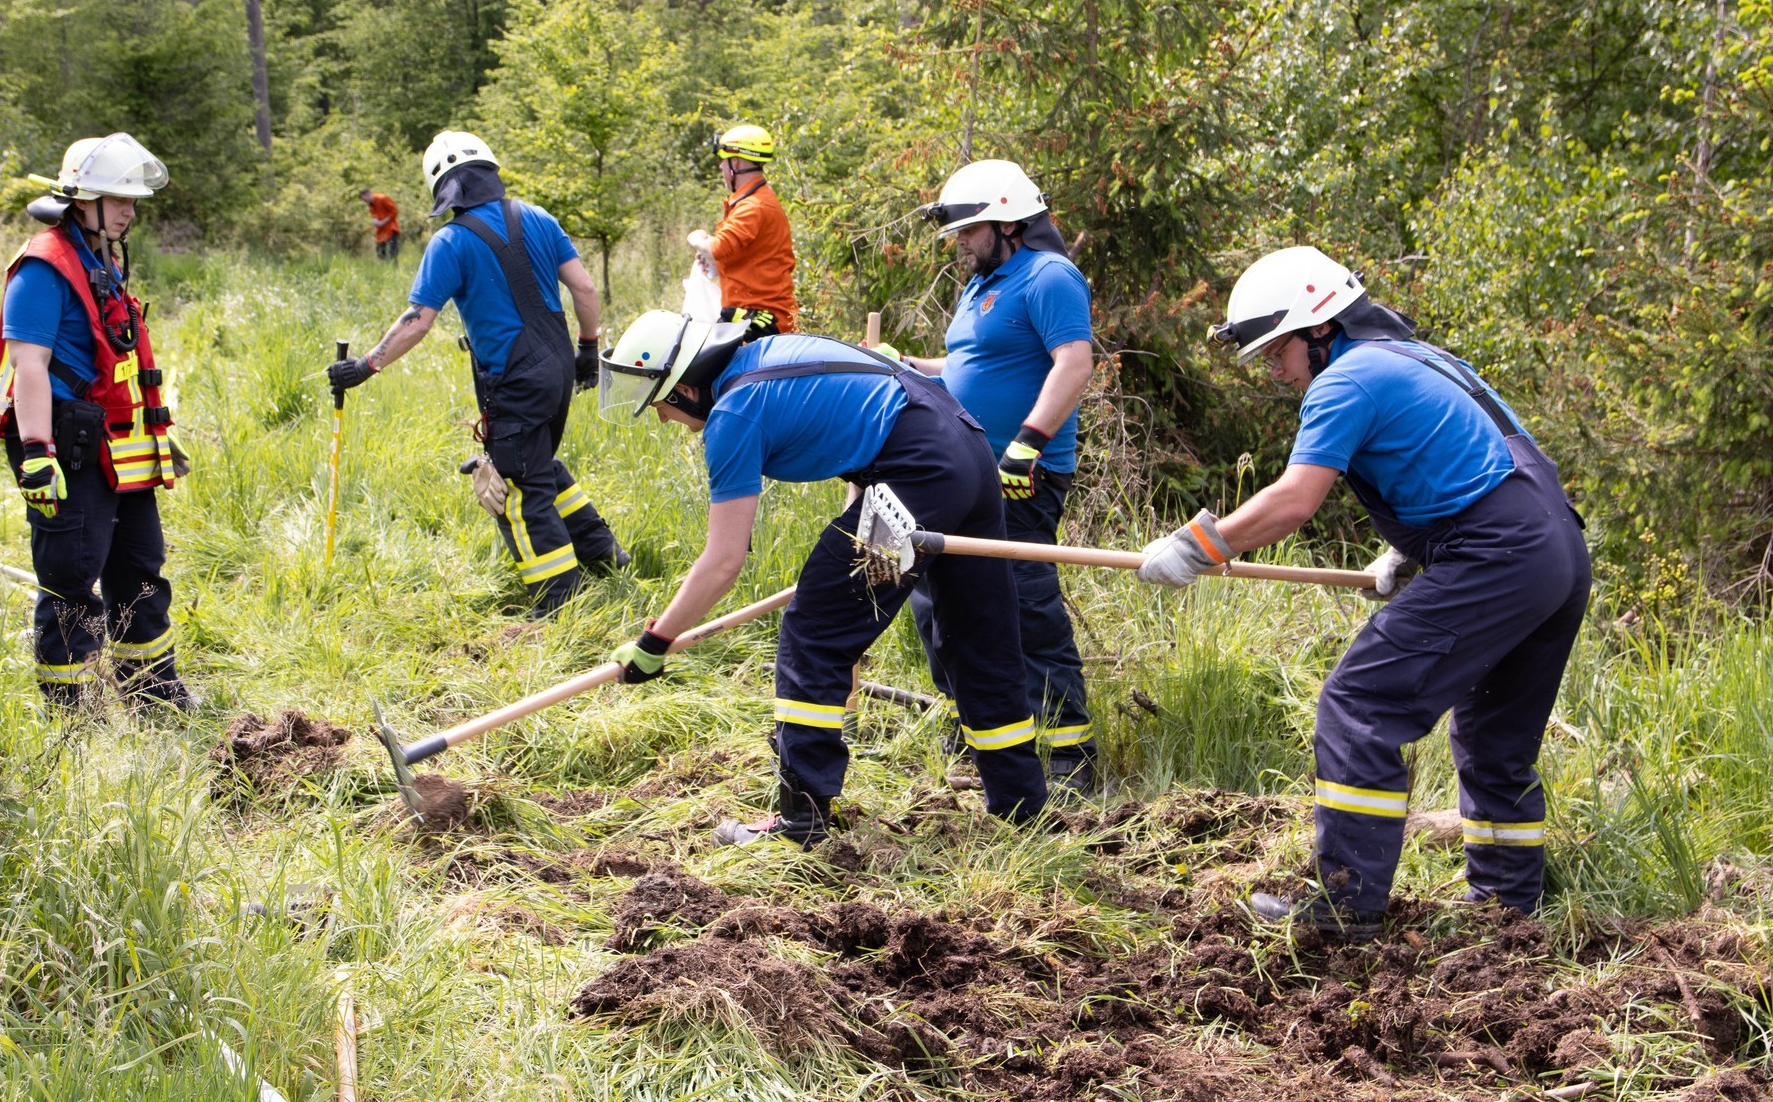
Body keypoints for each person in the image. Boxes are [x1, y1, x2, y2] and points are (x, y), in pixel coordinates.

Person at [1135, 246, 1590, 939]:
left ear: (1319, 328)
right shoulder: (1422, 359)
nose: (1276, 372)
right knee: (1495, 736)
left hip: (1499, 552)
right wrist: (1415, 551)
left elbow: (1294, 500)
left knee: (1361, 701)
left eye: (1276, 352)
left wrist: (1199, 546)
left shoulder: (1347, 379)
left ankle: (1345, 904)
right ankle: (1508, 914)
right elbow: (1477, 464)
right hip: (1554, 548)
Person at [598, 313, 1048, 846]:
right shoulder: (771, 357)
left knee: (814, 635)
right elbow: (865, 432)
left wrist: (656, 640)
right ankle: (1023, 808)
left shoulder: (735, 414)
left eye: (660, 404)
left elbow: (722, 560)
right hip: (964, 453)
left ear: (688, 387)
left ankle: (800, 821)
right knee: (980, 638)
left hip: (918, 475)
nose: (663, 419)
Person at [328, 131, 625, 617]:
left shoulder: (449, 242)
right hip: (557, 367)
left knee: (515, 488)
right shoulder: (539, 217)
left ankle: (560, 603)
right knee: (539, 462)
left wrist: (366, 365)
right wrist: (588, 350)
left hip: (514, 379)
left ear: (442, 189)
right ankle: (603, 553)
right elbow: (586, 290)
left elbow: (417, 322)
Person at [893, 161, 1099, 797]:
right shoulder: (982, 282)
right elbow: (969, 362)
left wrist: (1027, 444)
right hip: (958, 469)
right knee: (937, 600)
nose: (960, 242)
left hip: (1019, 475)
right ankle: (978, 726)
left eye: (969, 230)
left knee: (1024, 603)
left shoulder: (1048, 275)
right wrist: (908, 365)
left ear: (1009, 221)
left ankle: (1070, 753)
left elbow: (1075, 360)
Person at [0, 134, 195, 711]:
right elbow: (28, 366)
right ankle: (69, 713)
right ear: (81, 199)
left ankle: (154, 692)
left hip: (119, 445)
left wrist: (157, 439)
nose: (129, 210)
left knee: (140, 565)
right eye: (116, 198)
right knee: (73, 577)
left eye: (132, 200)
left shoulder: (101, 256)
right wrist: (38, 453)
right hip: (64, 447)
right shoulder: (43, 267)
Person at [687, 124, 797, 340]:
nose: (721, 167)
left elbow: (719, 247)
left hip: (762, 319)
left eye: (723, 160)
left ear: (735, 163)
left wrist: (697, 239)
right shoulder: (754, 200)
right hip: (751, 313)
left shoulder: (753, 206)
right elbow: (752, 258)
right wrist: (717, 266)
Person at [359, 188, 401, 261]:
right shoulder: (371, 206)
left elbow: (394, 211)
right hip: (381, 232)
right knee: (380, 252)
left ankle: (395, 270)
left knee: (392, 253)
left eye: (365, 199)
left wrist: (383, 222)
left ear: (368, 194)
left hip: (391, 229)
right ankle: (385, 270)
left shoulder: (382, 198)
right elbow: (375, 216)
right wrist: (375, 221)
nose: (365, 202)